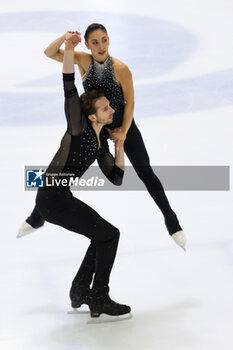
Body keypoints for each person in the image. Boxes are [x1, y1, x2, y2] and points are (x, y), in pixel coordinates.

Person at [18, 23, 186, 249]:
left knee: (145, 170)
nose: (100, 45)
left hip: (119, 122)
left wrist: (124, 133)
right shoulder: (82, 59)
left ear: (109, 40)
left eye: (104, 39)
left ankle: (171, 220)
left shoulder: (121, 68)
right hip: (93, 125)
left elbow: (130, 102)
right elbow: (49, 53)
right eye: (95, 42)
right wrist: (65, 38)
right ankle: (37, 217)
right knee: (64, 167)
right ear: (87, 45)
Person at [28, 37, 131, 318]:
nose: (112, 110)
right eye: (106, 108)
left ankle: (80, 290)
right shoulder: (78, 128)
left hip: (60, 198)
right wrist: (70, 47)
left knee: (102, 236)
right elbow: (69, 86)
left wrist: (119, 147)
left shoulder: (100, 143)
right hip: (51, 199)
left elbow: (117, 177)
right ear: (93, 116)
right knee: (109, 235)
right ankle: (98, 296)